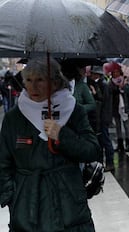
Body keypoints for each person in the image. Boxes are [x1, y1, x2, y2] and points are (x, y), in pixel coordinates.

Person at [0, 57, 100, 231]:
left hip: (69, 204)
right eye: (28, 80)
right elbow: (3, 162)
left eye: (40, 79)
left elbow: (92, 151)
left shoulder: (73, 110)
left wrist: (62, 135)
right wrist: (12, 197)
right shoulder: (14, 118)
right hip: (27, 207)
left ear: (54, 82)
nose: (33, 87)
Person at [88, 65, 115, 172]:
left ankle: (109, 162)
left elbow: (102, 101)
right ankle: (102, 163)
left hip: (102, 117)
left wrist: (95, 94)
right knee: (101, 140)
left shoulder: (102, 85)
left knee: (105, 140)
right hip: (101, 117)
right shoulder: (101, 84)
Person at [108, 62, 129, 154]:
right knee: (118, 126)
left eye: (117, 72)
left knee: (126, 125)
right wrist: (117, 89)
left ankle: (128, 143)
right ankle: (120, 143)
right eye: (114, 72)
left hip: (124, 105)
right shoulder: (111, 83)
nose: (116, 74)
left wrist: (123, 87)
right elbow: (110, 93)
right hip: (115, 106)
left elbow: (128, 92)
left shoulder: (125, 81)